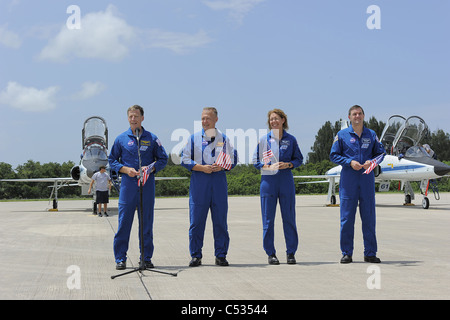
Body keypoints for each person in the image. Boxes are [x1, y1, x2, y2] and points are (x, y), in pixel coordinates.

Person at [109, 105, 168, 270]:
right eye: (130, 117)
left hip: (147, 184)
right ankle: (120, 258)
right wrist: (125, 169)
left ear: (142, 118)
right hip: (128, 185)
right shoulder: (121, 139)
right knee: (124, 223)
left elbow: (163, 159)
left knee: (146, 223)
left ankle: (146, 258)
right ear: (128, 118)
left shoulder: (152, 138)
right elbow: (112, 160)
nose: (133, 119)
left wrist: (151, 168)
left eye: (136, 116)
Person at [181, 107, 238, 267]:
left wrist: (223, 166)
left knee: (220, 222)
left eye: (208, 118)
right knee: (196, 223)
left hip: (218, 185)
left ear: (216, 120)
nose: (205, 121)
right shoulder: (193, 139)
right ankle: (196, 255)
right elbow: (184, 159)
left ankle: (220, 255)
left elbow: (233, 159)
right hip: (200, 185)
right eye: (203, 118)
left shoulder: (224, 139)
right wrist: (201, 167)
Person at [330, 105, 385, 264]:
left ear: (363, 116)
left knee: (369, 218)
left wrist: (372, 162)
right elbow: (333, 155)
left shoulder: (371, 134)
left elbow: (381, 153)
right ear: (349, 117)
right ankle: (347, 253)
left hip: (366, 180)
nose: (357, 116)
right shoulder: (342, 135)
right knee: (347, 218)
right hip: (349, 181)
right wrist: (349, 162)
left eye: (360, 114)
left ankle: (370, 253)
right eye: (354, 114)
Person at [252, 108, 303, 265]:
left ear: (283, 120)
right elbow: (255, 161)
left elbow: (299, 159)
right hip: (268, 182)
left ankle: (291, 253)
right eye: (271, 119)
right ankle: (271, 253)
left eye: (276, 118)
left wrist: (288, 164)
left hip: (286, 181)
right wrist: (266, 166)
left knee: (289, 218)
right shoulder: (263, 140)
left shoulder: (291, 140)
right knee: (268, 220)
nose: (273, 121)